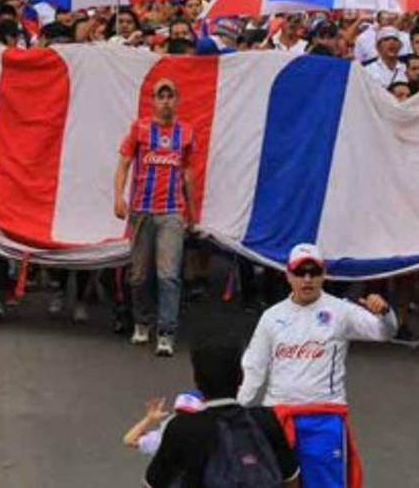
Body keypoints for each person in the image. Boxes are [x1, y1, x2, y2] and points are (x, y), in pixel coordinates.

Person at [238, 243, 395, 488]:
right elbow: (253, 368)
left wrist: (384, 312)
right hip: (278, 418)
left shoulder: (341, 311)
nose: (307, 279)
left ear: (324, 275)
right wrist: (233, 411)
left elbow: (384, 332)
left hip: (324, 419)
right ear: (288, 275)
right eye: (300, 272)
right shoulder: (271, 317)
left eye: (314, 272)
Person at [114, 78, 197, 358]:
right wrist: (118, 197)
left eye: (170, 96)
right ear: (153, 101)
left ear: (177, 100)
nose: (165, 101)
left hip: (172, 212)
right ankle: (141, 322)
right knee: (138, 275)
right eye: (160, 97)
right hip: (141, 211)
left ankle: (166, 331)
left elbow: (187, 172)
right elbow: (123, 163)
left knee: (168, 275)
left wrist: (192, 211)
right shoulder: (139, 129)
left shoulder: (185, 132)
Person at [145, 344, 300, 487]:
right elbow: (291, 479)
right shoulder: (266, 420)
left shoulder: (182, 427)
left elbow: (153, 483)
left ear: (197, 380)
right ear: (241, 377)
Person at [124, 391, 205, 455]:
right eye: (180, 413)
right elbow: (129, 440)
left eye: (189, 415)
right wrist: (149, 419)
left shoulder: (208, 440)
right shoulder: (163, 440)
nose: (183, 419)